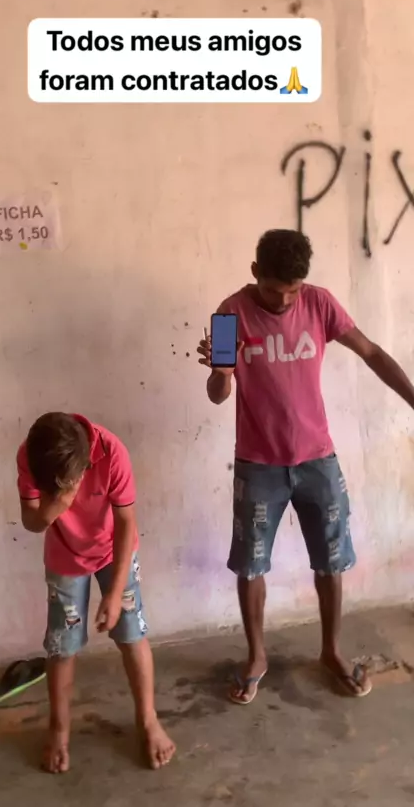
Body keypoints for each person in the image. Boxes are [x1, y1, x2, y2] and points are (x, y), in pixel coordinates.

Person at [197, 229, 414, 705]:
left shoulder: (319, 303)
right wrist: (221, 372)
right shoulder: (230, 314)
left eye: (293, 290)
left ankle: (331, 652)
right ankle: (257, 657)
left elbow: (372, 353)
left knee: (331, 561)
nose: (284, 301)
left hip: (318, 460)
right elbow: (217, 395)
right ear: (255, 273)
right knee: (250, 566)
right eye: (274, 290)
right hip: (258, 466)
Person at [17, 412, 175, 772]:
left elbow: (126, 521)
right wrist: (54, 507)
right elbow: (30, 521)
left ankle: (148, 720)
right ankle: (59, 730)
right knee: (62, 646)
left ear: (86, 464)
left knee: (132, 633)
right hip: (64, 556)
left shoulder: (111, 451)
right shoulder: (30, 454)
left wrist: (115, 593)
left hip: (114, 550)